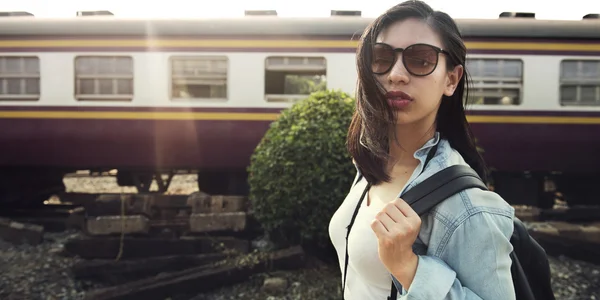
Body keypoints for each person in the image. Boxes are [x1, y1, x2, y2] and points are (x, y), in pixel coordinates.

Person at [328, 1, 516, 299]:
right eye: (381, 58)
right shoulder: (372, 165)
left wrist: (409, 267)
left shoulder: (469, 208)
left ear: (451, 80)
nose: (396, 75)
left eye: (421, 59)